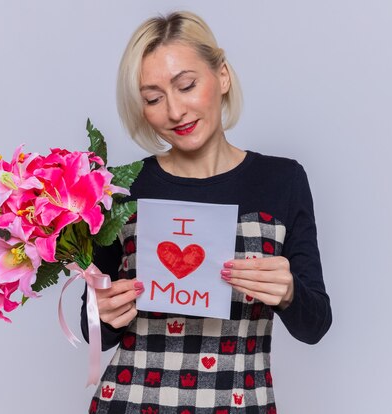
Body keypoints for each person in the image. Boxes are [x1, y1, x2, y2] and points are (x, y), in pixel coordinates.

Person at [80, 11, 331, 413]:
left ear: (223, 76)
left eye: (186, 85)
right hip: (129, 401)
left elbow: (315, 325)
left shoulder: (282, 180)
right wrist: (103, 313)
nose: (175, 111)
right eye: (153, 98)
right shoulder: (120, 189)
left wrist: (289, 293)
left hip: (238, 403)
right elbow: (93, 331)